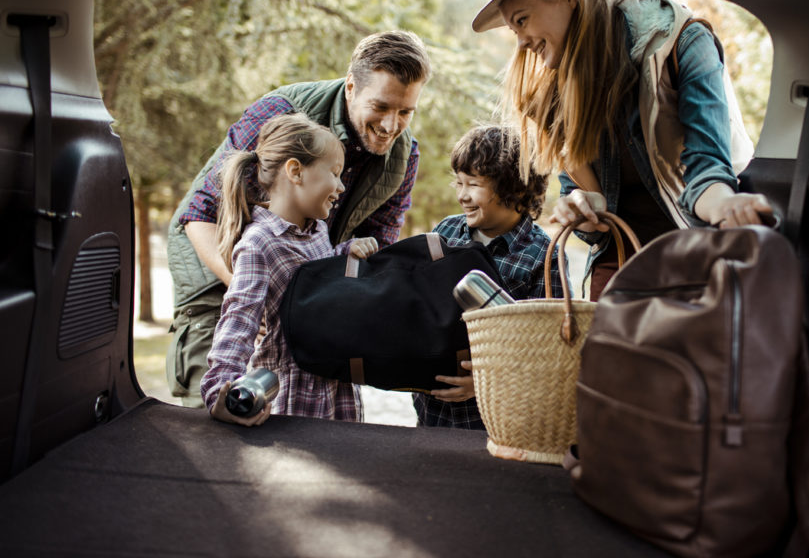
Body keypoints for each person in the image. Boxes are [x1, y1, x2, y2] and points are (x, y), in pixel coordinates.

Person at [473, 0, 773, 300]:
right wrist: (580, 208)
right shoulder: (555, 95)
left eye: (522, 20)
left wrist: (727, 208)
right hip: (620, 269)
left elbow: (708, 171)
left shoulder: (681, 41)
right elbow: (591, 213)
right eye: (515, 31)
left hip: (698, 255)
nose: (522, 43)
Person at [165, 31, 431, 407]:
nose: (391, 125)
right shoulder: (281, 111)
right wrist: (258, 298)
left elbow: (376, 251)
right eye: (382, 107)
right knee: (217, 417)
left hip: (302, 288)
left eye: (405, 112)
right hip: (219, 270)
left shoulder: (404, 157)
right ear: (352, 87)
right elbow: (199, 214)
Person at [200, 113, 379, 426]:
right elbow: (238, 322)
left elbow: (314, 279)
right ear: (296, 171)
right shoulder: (260, 243)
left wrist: (343, 253)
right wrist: (220, 392)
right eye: (335, 173)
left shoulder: (317, 231)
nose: (340, 186)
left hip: (336, 389)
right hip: (294, 397)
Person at [414, 125, 566, 430]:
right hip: (432, 413)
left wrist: (484, 382)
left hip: (495, 419)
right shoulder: (445, 232)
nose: (462, 195)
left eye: (473, 184)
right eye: (458, 182)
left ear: (517, 188)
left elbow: (551, 349)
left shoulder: (544, 255)